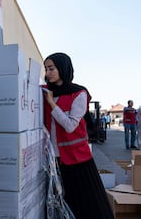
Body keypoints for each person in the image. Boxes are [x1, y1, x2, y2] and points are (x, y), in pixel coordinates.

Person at [42, 52, 114, 219]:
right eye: (46, 69)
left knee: (85, 204)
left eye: (51, 68)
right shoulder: (45, 92)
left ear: (62, 68)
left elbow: (70, 126)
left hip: (77, 159)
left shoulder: (79, 94)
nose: (48, 73)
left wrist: (52, 103)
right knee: (60, 201)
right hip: (53, 159)